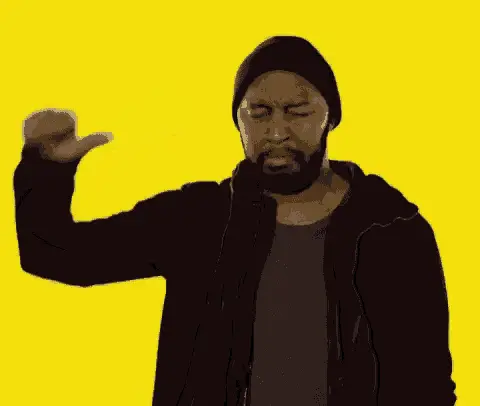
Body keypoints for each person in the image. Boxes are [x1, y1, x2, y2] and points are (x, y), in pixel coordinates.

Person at [13, 36, 456, 406]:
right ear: (238, 120)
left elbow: (428, 386)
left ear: (331, 116)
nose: (277, 131)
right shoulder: (197, 219)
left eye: (298, 111)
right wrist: (44, 169)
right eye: (259, 113)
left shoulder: (392, 230)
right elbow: (58, 255)